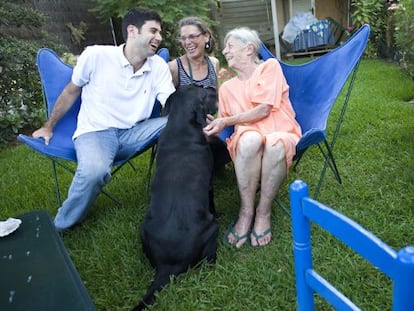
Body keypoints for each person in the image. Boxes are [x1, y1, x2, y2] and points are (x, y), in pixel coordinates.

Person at [32, 7, 175, 231]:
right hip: (97, 132)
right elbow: (71, 91)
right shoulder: (96, 55)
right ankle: (60, 225)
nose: (159, 37)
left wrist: (196, 114)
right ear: (132, 31)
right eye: (153, 31)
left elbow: (171, 102)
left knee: (181, 121)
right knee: (94, 171)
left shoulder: (157, 66)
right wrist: (48, 126)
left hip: (137, 132)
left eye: (160, 32)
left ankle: (177, 194)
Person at [203, 27, 302, 248]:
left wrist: (226, 122)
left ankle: (263, 212)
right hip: (247, 136)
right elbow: (223, 123)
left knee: (275, 144)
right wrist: (209, 128)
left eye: (230, 46)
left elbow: (264, 110)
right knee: (249, 140)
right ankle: (246, 211)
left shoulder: (269, 67)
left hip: (281, 130)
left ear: (249, 49)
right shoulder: (226, 88)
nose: (225, 52)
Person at [168, 16, 230, 171]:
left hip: (210, 124)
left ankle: (217, 159)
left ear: (206, 37)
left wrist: (219, 119)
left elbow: (217, 98)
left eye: (192, 36)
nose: (187, 42)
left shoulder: (214, 63)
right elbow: (167, 107)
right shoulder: (175, 68)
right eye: (183, 38)